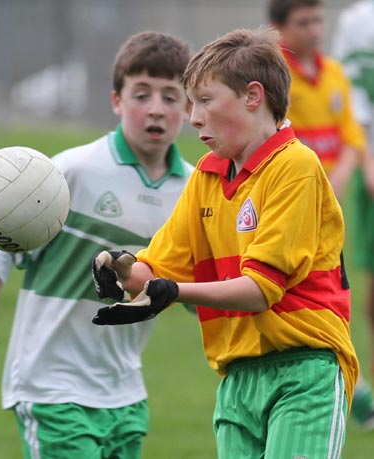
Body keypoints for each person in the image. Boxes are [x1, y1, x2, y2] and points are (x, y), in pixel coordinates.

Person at [91, 26, 359, 459]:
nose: (193, 117)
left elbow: (259, 291)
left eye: (205, 101)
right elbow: (156, 270)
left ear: (253, 96)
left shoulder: (295, 166)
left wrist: (169, 292)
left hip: (305, 371)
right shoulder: (207, 176)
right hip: (236, 381)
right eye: (192, 103)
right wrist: (122, 267)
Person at [0, 31, 194, 459]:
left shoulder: (193, 190)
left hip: (125, 390)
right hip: (51, 385)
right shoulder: (67, 173)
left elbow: (193, 289)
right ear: (116, 101)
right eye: (141, 94)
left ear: (189, 109)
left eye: (171, 97)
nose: (155, 108)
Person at [268, 0, 374, 430]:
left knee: (328, 291)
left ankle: (352, 386)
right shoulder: (274, 78)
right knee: (299, 295)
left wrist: (340, 176)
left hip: (328, 208)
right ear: (279, 28)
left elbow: (351, 134)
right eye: (303, 22)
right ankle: (349, 388)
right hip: (290, 206)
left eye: (318, 20)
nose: (314, 29)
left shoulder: (332, 73)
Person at [331, 0, 374, 429]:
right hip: (358, 177)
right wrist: (365, 163)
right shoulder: (356, 24)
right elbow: (352, 110)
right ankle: (357, 387)